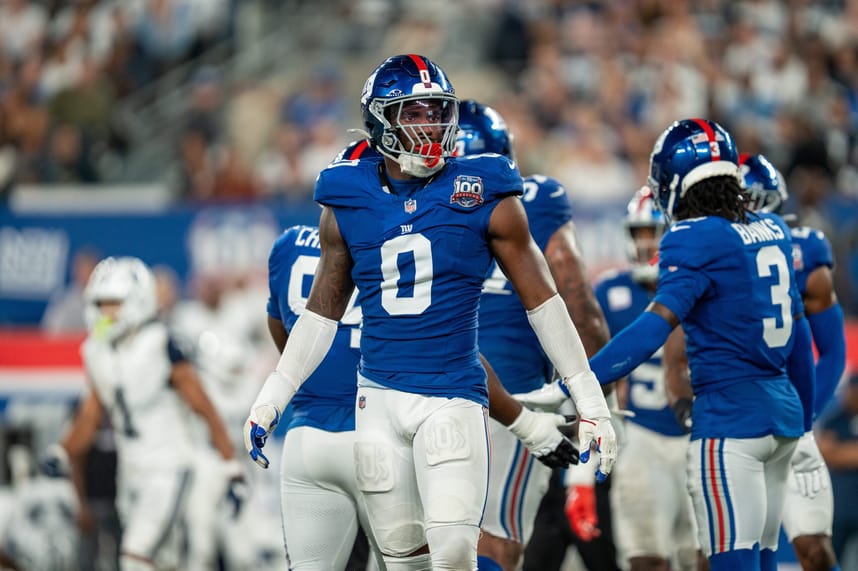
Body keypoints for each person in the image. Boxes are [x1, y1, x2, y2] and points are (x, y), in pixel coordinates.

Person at [244, 54, 616, 570]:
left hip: (452, 395)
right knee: (403, 559)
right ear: (381, 121)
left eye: (437, 112)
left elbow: (545, 302)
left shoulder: (486, 188)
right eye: (413, 114)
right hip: (377, 400)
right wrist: (271, 399)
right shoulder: (346, 195)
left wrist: (591, 402)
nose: (430, 126)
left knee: (456, 550)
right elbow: (322, 314)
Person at [529, 118, 815, 571]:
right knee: (761, 561)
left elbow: (651, 330)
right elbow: (800, 340)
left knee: (730, 563)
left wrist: (574, 385)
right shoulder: (773, 230)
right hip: (782, 421)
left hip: (730, 424)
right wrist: (807, 423)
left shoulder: (691, 237)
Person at [455, 99, 615, 571]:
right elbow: (579, 307)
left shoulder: (414, 203)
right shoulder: (534, 198)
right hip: (512, 398)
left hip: (420, 391)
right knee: (495, 542)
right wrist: (594, 400)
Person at [46, 256, 245, 571]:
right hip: (130, 470)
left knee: (135, 556)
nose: (104, 313)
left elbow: (204, 407)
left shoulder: (161, 344)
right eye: (100, 304)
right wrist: (61, 450)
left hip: (169, 465)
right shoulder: (96, 351)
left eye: (113, 304)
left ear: (136, 302)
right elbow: (90, 417)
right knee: (162, 561)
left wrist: (231, 466)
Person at [265, 140, 385, 571]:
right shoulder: (403, 237)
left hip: (307, 437)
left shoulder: (287, 248)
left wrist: (303, 371)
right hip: (383, 432)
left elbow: (283, 328)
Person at [739, 153, 846, 571]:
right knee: (741, 551)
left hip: (788, 416)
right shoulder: (710, 252)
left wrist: (805, 420)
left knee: (814, 550)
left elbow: (832, 351)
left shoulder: (803, 251)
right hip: (738, 420)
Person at [594, 187, 701, 571]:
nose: (644, 244)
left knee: (705, 556)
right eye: (638, 233)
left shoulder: (699, 288)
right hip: (640, 437)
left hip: (697, 434)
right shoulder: (613, 292)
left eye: (652, 233)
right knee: (645, 557)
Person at [817, 374, 858, 564]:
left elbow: (833, 452)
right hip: (838, 509)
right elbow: (823, 451)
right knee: (828, 560)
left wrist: (839, 452)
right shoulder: (836, 417)